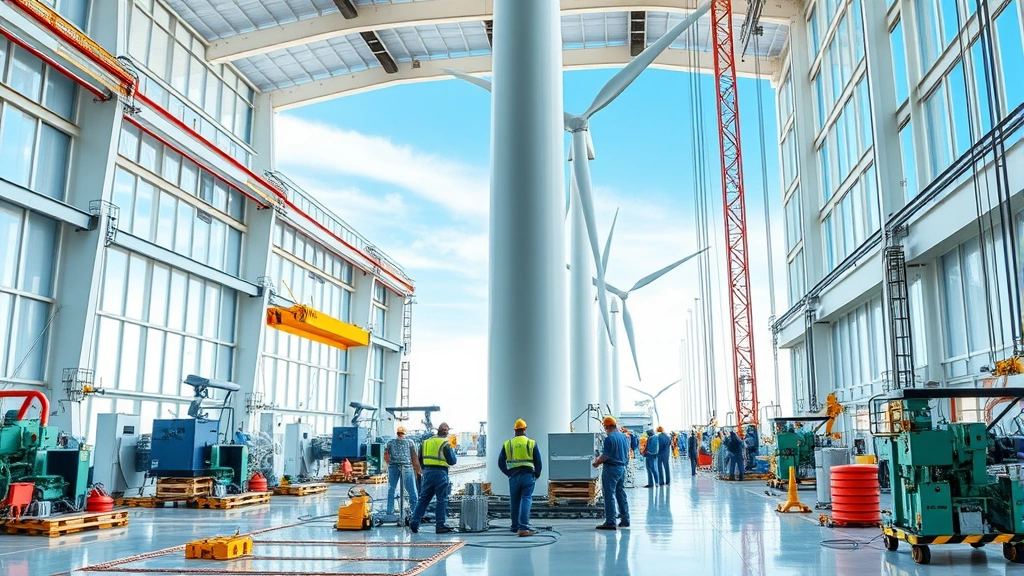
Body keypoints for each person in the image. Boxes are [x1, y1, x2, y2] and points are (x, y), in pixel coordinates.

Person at [498, 419, 543, 537]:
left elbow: (500, 462)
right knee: (526, 498)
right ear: (525, 429)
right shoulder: (531, 443)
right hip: (528, 475)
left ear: (514, 430)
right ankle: (523, 527)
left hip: (514, 476)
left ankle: (514, 526)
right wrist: (536, 474)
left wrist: (508, 473)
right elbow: (538, 461)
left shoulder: (508, 444)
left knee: (514, 500)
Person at [409, 422, 457, 534]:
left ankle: (414, 522)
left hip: (428, 473)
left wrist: (425, 470)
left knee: (423, 499)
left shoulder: (425, 442)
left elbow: (419, 459)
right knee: (442, 499)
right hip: (441, 473)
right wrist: (452, 448)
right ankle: (440, 525)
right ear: (446, 431)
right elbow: (452, 461)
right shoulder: (445, 443)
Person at [592, 416, 630, 530]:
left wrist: (597, 462)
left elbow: (606, 455)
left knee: (609, 495)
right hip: (622, 468)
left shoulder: (609, 438)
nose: (605, 429)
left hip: (611, 469)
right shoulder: (624, 437)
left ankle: (610, 522)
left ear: (607, 426)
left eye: (605, 427)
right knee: (620, 493)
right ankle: (625, 520)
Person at [384, 426, 420, 517]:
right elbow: (414, 457)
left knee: (391, 489)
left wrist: (389, 464)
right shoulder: (410, 442)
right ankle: (414, 511)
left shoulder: (390, 442)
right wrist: (418, 470)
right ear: (404, 433)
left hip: (393, 467)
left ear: (397, 433)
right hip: (406, 467)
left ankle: (389, 512)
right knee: (412, 490)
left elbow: (386, 456)